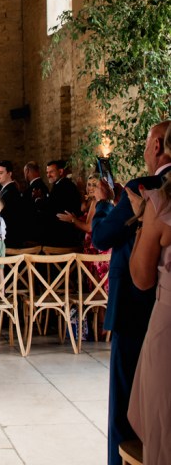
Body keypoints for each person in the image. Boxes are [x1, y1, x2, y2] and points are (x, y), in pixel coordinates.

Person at [91, 120, 171, 465]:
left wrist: (103, 204)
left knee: (125, 404)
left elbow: (102, 238)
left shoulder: (146, 188)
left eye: (145, 144)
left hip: (137, 308)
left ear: (157, 146)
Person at [127, 122, 171, 465]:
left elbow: (141, 277)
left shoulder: (161, 201)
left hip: (168, 326)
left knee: (164, 420)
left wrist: (142, 218)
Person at [43, 159, 83, 247]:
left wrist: (38, 200)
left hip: (62, 235)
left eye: (51, 172)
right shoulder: (59, 185)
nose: (48, 175)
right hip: (61, 232)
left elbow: (51, 209)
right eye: (47, 172)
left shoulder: (64, 186)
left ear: (60, 171)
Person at [0, 160, 25, 248]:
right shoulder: (6, 190)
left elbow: (5, 217)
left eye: (1, 173)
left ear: (9, 173)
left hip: (9, 239)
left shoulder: (10, 192)